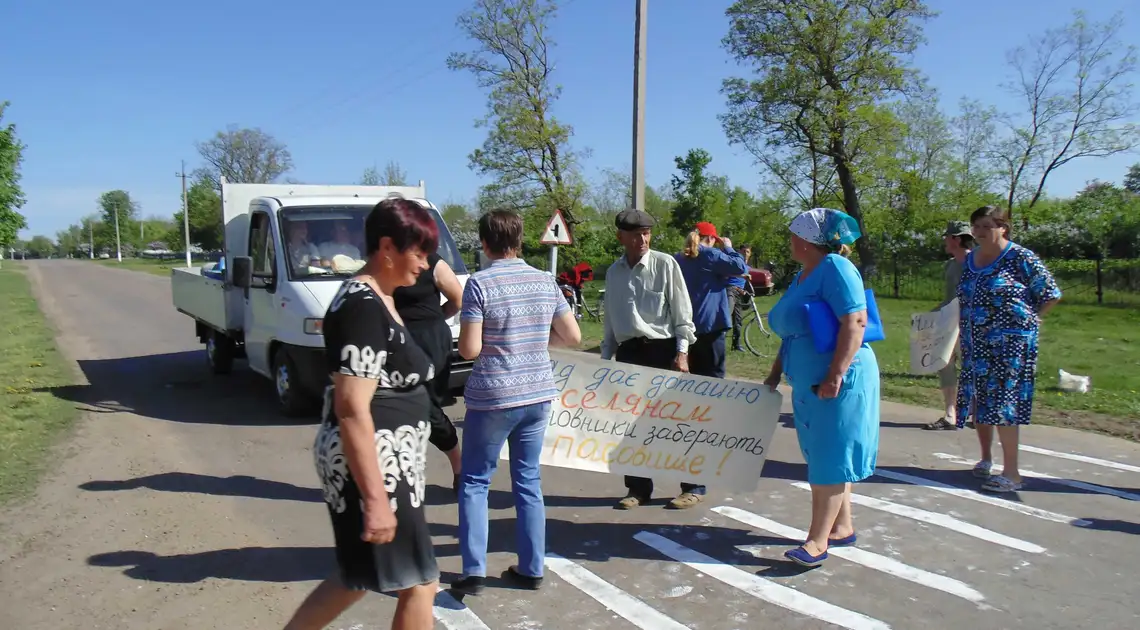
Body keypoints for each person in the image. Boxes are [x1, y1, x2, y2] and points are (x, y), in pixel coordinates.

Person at [285, 198, 440, 630]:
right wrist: (375, 501)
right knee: (419, 582)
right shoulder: (362, 306)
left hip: (388, 459)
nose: (425, 265)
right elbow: (352, 407)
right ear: (388, 247)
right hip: (377, 461)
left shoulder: (380, 299)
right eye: (420, 252)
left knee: (358, 575)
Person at [450, 210, 581, 596]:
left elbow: (470, 349)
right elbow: (572, 335)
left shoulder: (479, 283)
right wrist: (537, 344)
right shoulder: (544, 280)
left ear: (485, 243)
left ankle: (474, 571)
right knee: (528, 482)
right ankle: (531, 567)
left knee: (475, 481)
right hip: (537, 392)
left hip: (493, 397)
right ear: (520, 240)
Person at [764, 207, 881, 568]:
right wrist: (774, 374)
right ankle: (842, 526)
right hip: (808, 379)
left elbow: (856, 320)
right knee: (825, 454)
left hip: (838, 379)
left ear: (806, 240)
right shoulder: (803, 276)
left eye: (793, 234)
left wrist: (836, 374)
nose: (790, 241)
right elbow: (793, 334)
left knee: (829, 457)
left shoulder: (836, 268)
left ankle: (817, 542)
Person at [600, 209, 701, 511]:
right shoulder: (614, 272)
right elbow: (610, 323)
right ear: (621, 237)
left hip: (663, 350)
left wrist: (682, 352)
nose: (642, 239)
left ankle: (692, 486)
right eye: (635, 234)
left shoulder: (664, 264)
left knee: (676, 424)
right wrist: (605, 363)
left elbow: (683, 313)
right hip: (630, 353)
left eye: (646, 233)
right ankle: (638, 487)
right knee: (631, 426)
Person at [956, 205, 1061, 493]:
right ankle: (985, 458)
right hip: (975, 341)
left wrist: (1034, 318)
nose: (979, 233)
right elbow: (964, 300)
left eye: (986, 226)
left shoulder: (1020, 257)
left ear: (1003, 227)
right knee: (979, 399)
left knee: (1003, 405)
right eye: (976, 226)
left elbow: (1050, 293)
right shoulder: (971, 260)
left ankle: (1012, 472)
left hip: (1010, 344)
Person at [394, 229, 465, 492]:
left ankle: (459, 466)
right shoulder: (389, 263)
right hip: (397, 342)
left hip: (430, 339)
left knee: (425, 405)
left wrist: (435, 317)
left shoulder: (433, 263)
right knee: (401, 405)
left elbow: (458, 299)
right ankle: (401, 470)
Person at [676, 222, 748, 377]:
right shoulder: (711, 255)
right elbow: (740, 267)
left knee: (694, 378)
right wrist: (728, 247)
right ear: (710, 238)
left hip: (686, 325)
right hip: (711, 326)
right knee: (714, 378)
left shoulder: (679, 258)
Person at [924, 221, 974, 431]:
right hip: (949, 323)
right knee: (944, 364)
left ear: (956, 239)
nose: (944, 240)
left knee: (972, 367)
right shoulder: (951, 264)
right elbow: (949, 298)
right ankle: (950, 414)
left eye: (947, 237)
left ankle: (975, 411)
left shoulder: (977, 263)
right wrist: (928, 318)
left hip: (972, 323)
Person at [728, 244, 753, 351]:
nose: (745, 254)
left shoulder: (747, 268)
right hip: (730, 290)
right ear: (739, 252)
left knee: (738, 320)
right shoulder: (735, 264)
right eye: (743, 251)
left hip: (738, 293)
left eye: (747, 252)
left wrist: (745, 291)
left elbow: (745, 283)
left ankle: (736, 345)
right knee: (726, 316)